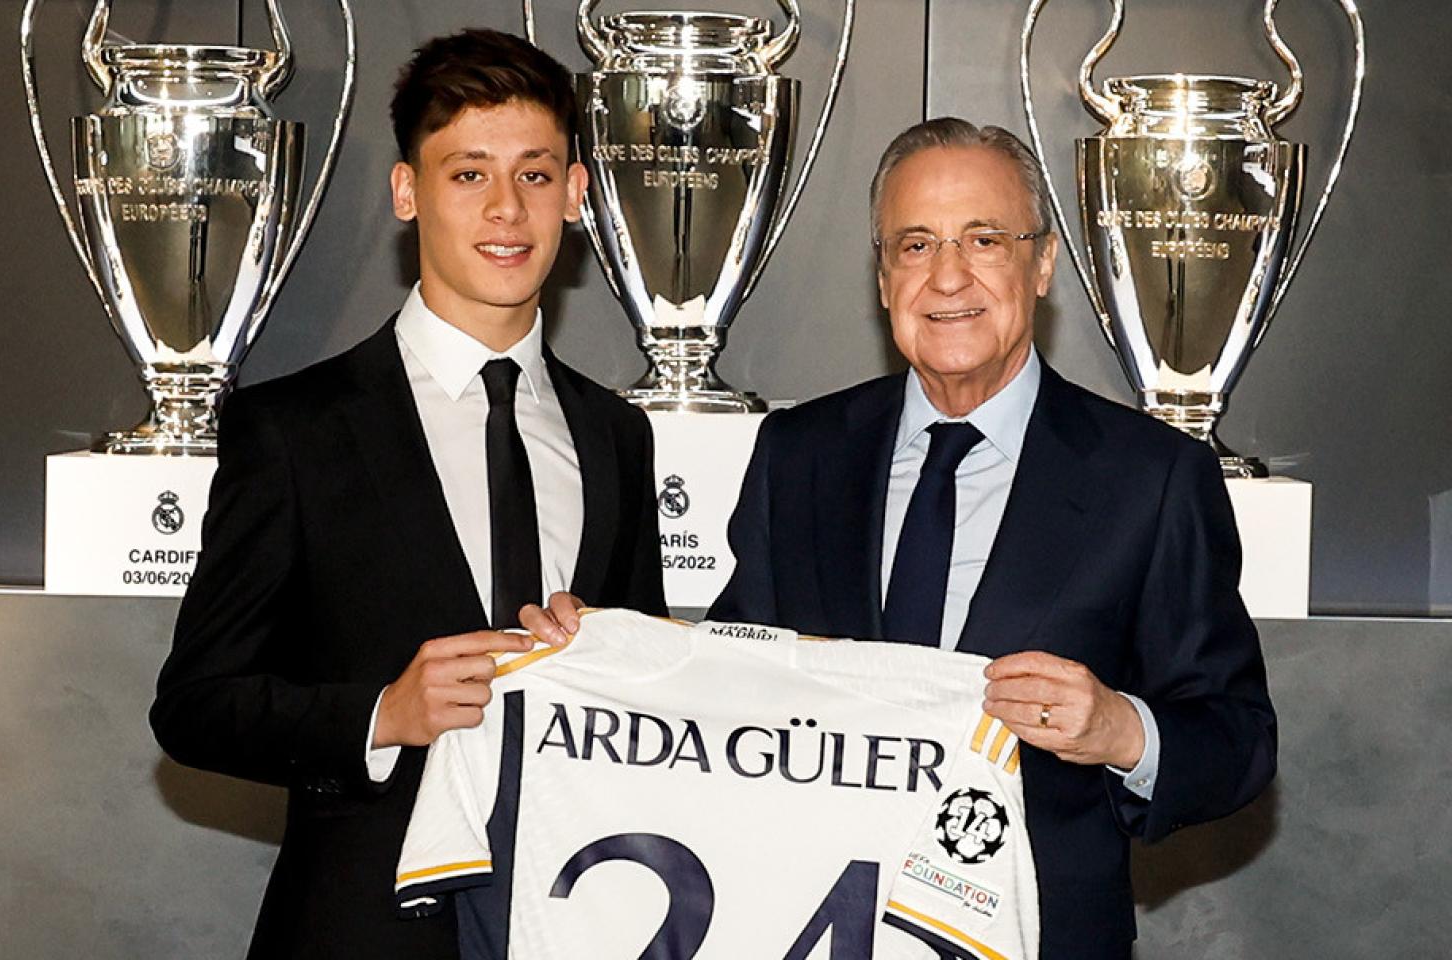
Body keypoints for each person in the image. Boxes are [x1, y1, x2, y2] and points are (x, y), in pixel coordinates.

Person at [527, 118, 1275, 959]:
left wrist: (1121, 731)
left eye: (984, 239)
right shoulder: (798, 455)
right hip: (808, 931)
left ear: (1043, 263)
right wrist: (596, 659)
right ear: (883, 278)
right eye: (914, 245)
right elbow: (736, 679)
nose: (947, 275)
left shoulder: (1154, 477)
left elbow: (1238, 740)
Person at [151, 29, 666, 960]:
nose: (507, 209)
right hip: (361, 932)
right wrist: (383, 713)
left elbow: (649, 712)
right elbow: (196, 704)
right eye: (468, 173)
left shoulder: (616, 436)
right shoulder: (297, 428)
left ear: (579, 195)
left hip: (576, 925)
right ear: (406, 192)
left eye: (537, 175)